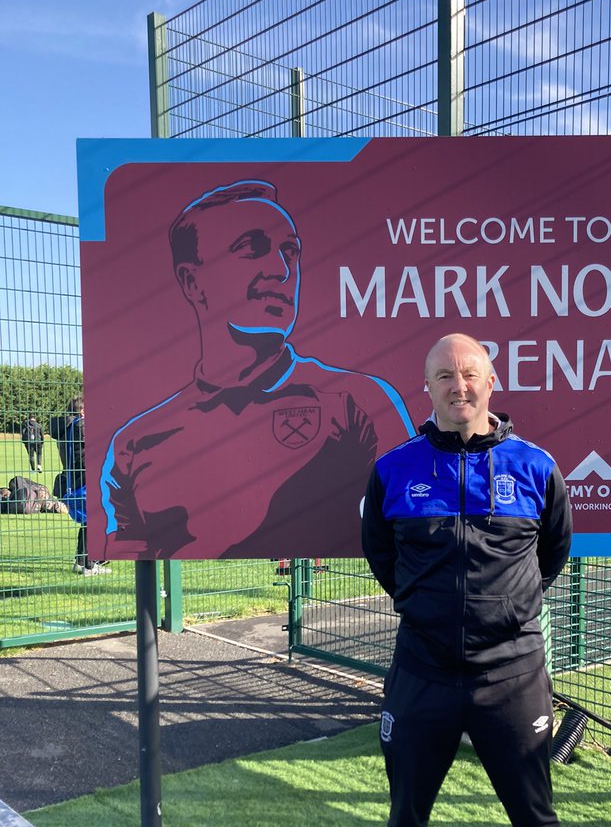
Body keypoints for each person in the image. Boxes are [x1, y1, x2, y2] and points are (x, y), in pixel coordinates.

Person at [359, 332, 597, 827]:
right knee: (407, 814)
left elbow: (551, 555)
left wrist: (505, 616)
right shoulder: (394, 471)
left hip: (511, 675)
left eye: (469, 375)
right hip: (422, 675)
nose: (458, 387)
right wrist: (427, 613)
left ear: (491, 383)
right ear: (427, 388)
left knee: (536, 817)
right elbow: (382, 557)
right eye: (443, 377)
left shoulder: (534, 466)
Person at [99, 180, 415, 561]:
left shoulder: (359, 402)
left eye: (290, 251)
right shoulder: (134, 443)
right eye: (251, 248)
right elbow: (125, 548)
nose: (282, 270)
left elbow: (411, 526)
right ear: (191, 281)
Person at [60, 396, 109, 575]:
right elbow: (90, 451)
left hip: (76, 479)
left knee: (89, 521)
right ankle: (88, 564)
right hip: (85, 479)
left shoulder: (69, 427)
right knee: (93, 520)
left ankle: (82, 561)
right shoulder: (81, 426)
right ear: (81, 411)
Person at [0, 475, 67, 514]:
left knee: (16, 480)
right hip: (22, 504)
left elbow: (17, 480)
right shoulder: (41, 505)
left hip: (25, 498)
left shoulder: (44, 491)